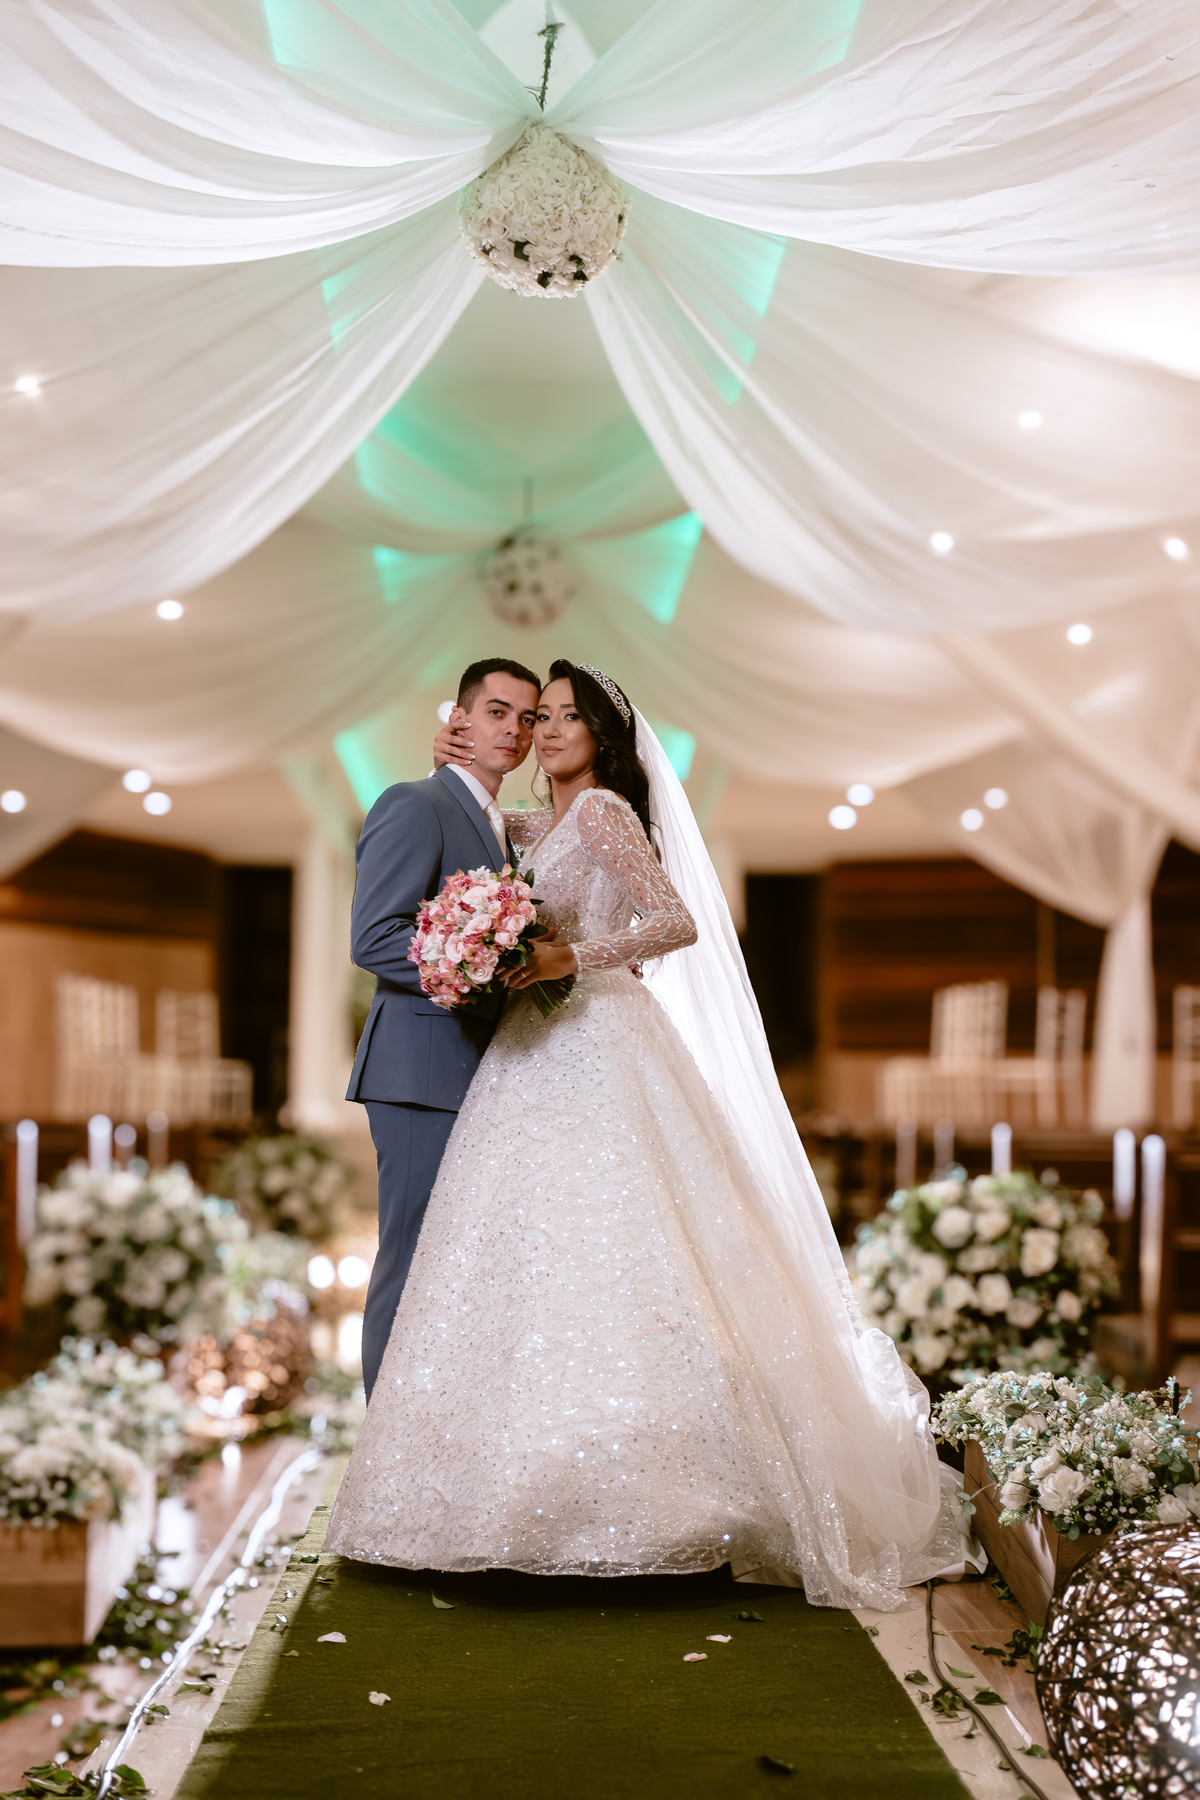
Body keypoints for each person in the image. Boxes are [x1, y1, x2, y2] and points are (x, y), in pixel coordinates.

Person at [328, 661, 965, 1608]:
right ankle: (477, 1473)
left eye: (564, 716)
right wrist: (454, 773)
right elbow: (469, 846)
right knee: (514, 1263)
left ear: (606, 736)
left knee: (626, 1252)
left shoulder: (607, 815)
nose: (544, 730)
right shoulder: (525, 826)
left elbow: (673, 920)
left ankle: (648, 1484)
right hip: (523, 1058)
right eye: (531, 716)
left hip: (597, 1035)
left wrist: (566, 955)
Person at [346, 657, 541, 1397]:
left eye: (528, 718)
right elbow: (373, 937)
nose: (516, 731)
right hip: (419, 1071)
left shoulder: (499, 827)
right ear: (457, 720)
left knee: (459, 1266)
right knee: (412, 1255)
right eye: (498, 712)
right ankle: (381, 1462)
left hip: (479, 1072)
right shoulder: (415, 802)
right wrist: (477, 963)